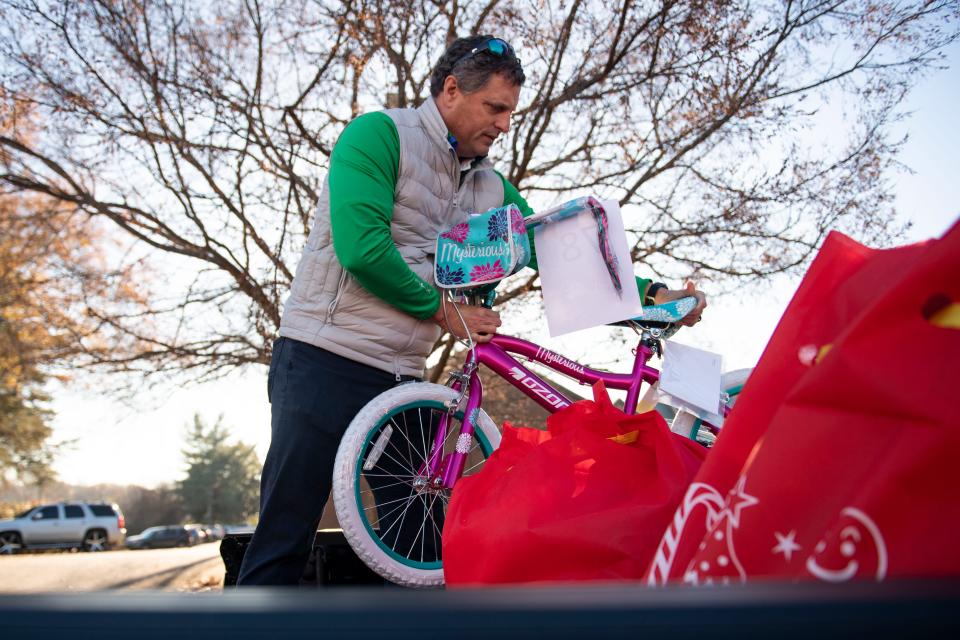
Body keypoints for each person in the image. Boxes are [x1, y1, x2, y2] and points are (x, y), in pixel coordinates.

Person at [236, 35, 706, 586]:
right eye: (496, 108)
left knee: (421, 547)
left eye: (511, 111)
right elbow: (362, 247)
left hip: (400, 379)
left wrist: (652, 297)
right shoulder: (379, 135)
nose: (505, 124)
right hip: (323, 356)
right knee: (287, 530)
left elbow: (558, 258)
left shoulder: (491, 187)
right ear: (452, 90)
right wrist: (444, 311)